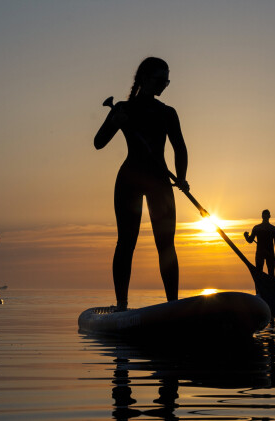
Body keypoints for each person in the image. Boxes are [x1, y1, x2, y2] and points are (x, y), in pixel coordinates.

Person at [94, 57, 189, 311]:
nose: (165, 85)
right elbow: (99, 142)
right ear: (145, 79)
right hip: (130, 181)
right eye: (160, 80)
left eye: (167, 80)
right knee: (126, 242)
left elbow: (180, 147)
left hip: (160, 182)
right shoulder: (122, 110)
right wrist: (114, 121)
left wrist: (181, 177)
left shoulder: (167, 113)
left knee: (166, 245)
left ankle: (173, 305)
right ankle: (122, 305)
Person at [244, 209, 275, 277]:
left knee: (268, 274)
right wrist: (246, 236)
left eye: (266, 215)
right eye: (265, 215)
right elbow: (250, 240)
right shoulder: (271, 228)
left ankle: (269, 286)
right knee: (264, 273)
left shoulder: (271, 229)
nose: (266, 217)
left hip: (267, 254)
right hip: (264, 254)